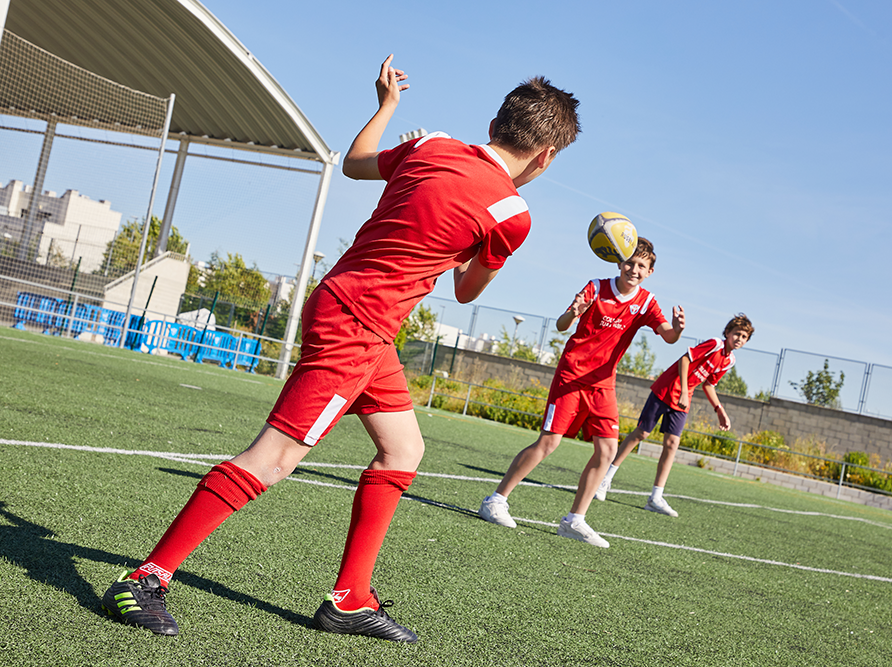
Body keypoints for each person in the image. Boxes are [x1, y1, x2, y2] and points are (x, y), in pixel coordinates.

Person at [100, 55, 580, 643]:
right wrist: (468, 248)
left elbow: (353, 165)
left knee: (403, 449)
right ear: (546, 156)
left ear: (497, 121)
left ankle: (350, 599)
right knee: (273, 459)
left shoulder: (431, 145)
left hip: (354, 312)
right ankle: (145, 579)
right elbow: (465, 288)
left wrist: (385, 108)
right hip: (359, 323)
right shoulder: (512, 213)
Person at [478, 239, 684, 547]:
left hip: (603, 384)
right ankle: (495, 500)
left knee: (607, 451)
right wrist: (574, 312)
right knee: (549, 442)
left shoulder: (646, 301)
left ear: (650, 272)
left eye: (642, 266)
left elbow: (668, 337)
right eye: (629, 262)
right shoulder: (596, 287)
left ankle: (575, 520)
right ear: (618, 262)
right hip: (571, 376)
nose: (634, 269)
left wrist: (679, 328)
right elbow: (562, 325)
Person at [595, 314, 755, 516]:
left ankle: (655, 497)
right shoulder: (715, 344)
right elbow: (685, 360)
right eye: (736, 334)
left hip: (683, 399)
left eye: (744, 337)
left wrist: (719, 410)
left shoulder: (729, 360)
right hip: (666, 390)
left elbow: (709, 384)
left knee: (672, 445)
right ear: (727, 333)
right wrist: (683, 391)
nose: (739, 339)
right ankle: (604, 479)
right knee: (642, 433)